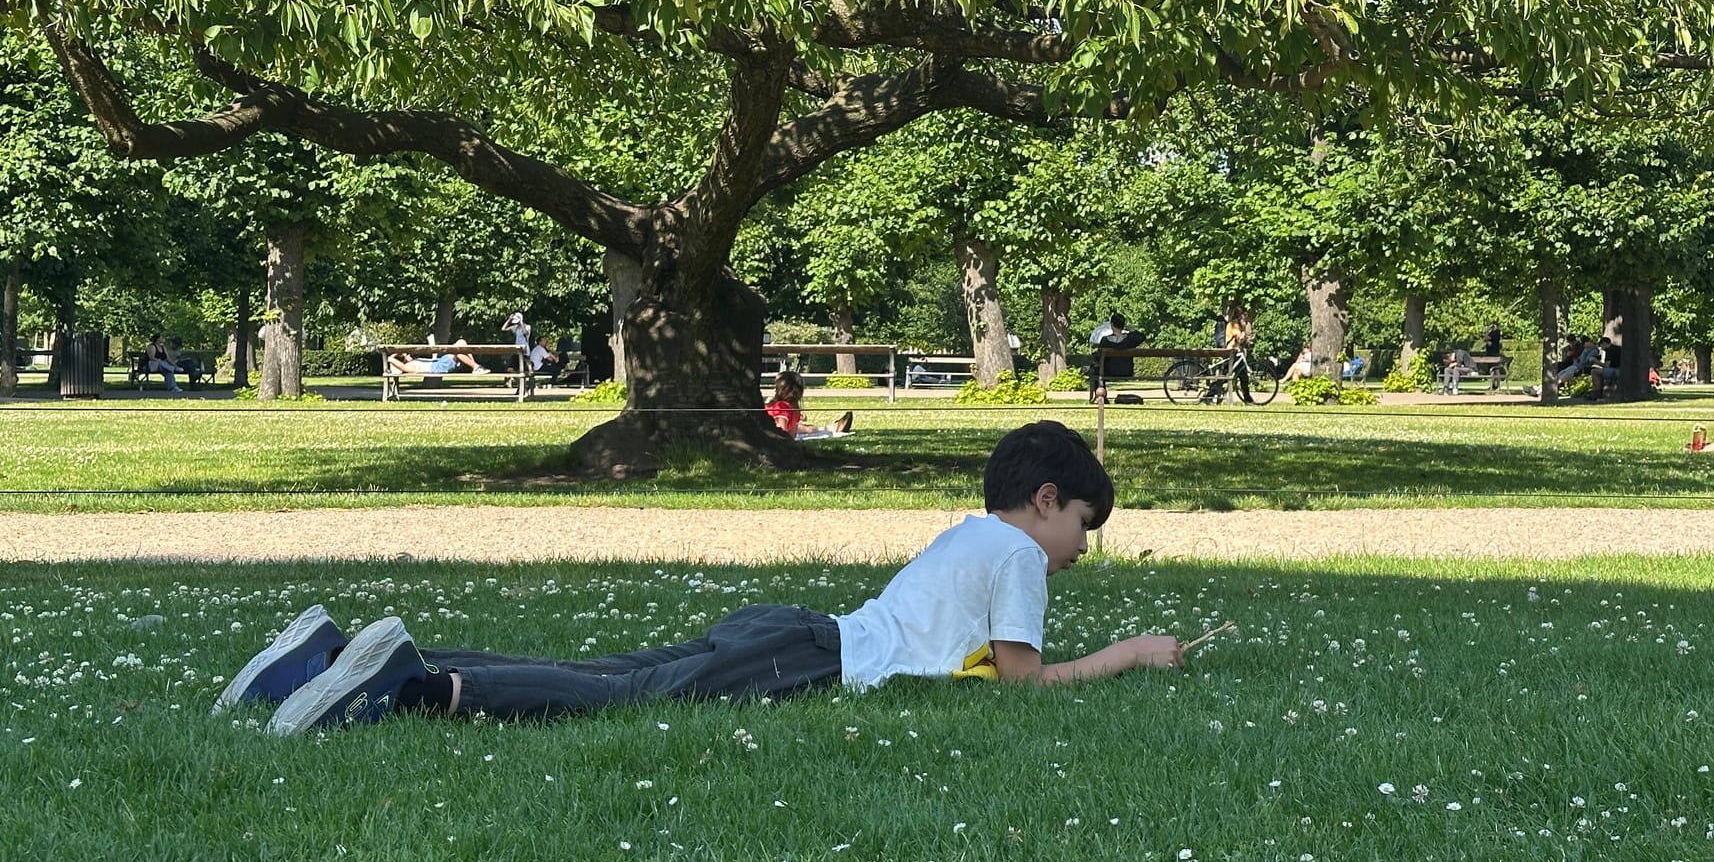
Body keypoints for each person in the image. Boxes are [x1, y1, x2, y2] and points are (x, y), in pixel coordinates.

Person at [214, 421, 1184, 733]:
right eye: (1083, 526)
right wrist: (1128, 655)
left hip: (791, 630)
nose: (1080, 548)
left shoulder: (971, 533)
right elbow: (1020, 681)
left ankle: (335, 659)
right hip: (809, 661)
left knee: (607, 671)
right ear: (1047, 500)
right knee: (619, 694)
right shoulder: (1018, 554)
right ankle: (416, 689)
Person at [764, 369, 853, 440]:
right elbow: (783, 433)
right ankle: (831, 428)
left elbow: (789, 434)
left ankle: (831, 428)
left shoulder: (790, 409)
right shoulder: (783, 408)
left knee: (805, 428)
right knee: (805, 428)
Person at [1087, 312, 1146, 403]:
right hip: (1126, 371)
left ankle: (1102, 397)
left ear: (1112, 325)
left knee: (1095, 370)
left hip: (1108, 372)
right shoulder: (1130, 339)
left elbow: (1099, 357)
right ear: (1123, 325)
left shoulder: (1105, 340)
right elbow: (1142, 337)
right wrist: (1130, 329)